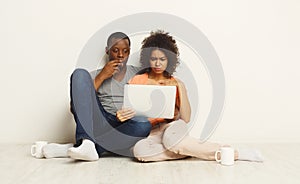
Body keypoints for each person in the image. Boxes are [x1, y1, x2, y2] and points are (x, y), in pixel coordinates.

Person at [121, 30, 264, 162]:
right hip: (151, 132)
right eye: (153, 59)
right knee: (139, 152)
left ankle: (233, 153)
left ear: (169, 59)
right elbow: (127, 109)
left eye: (162, 59)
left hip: (172, 127)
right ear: (148, 59)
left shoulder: (175, 82)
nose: (157, 63)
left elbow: (186, 118)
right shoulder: (137, 80)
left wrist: (180, 87)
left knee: (172, 140)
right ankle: (189, 150)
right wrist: (123, 114)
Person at [42, 32, 152, 161]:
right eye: (115, 50)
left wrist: (131, 113)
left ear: (129, 52)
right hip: (99, 122)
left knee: (144, 125)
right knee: (79, 73)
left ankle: (82, 147)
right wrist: (102, 76)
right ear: (107, 51)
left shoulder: (138, 73)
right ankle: (87, 141)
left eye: (125, 51)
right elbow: (75, 108)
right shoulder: (93, 76)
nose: (120, 55)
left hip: (124, 126)